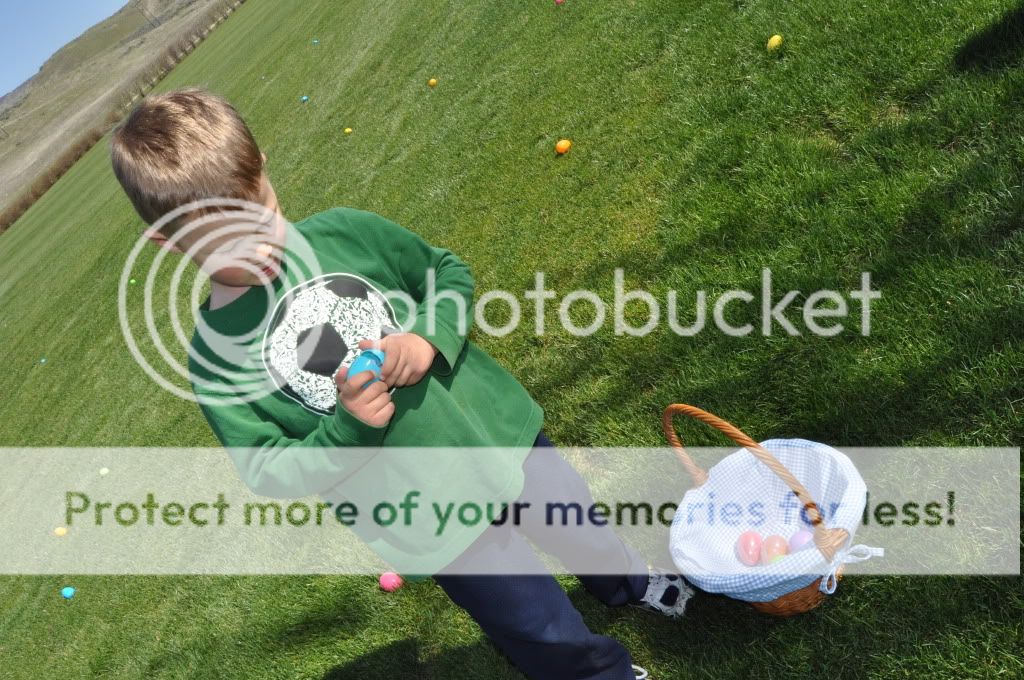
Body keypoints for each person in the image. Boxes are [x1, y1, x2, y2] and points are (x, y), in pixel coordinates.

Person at [109, 86, 692, 680]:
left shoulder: (345, 233)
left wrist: (425, 338)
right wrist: (347, 427)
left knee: (576, 521)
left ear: (263, 168)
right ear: (168, 242)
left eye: (263, 209)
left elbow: (445, 273)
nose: (261, 245)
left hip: (491, 433)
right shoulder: (216, 360)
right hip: (422, 511)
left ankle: (626, 581)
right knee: (532, 621)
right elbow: (268, 468)